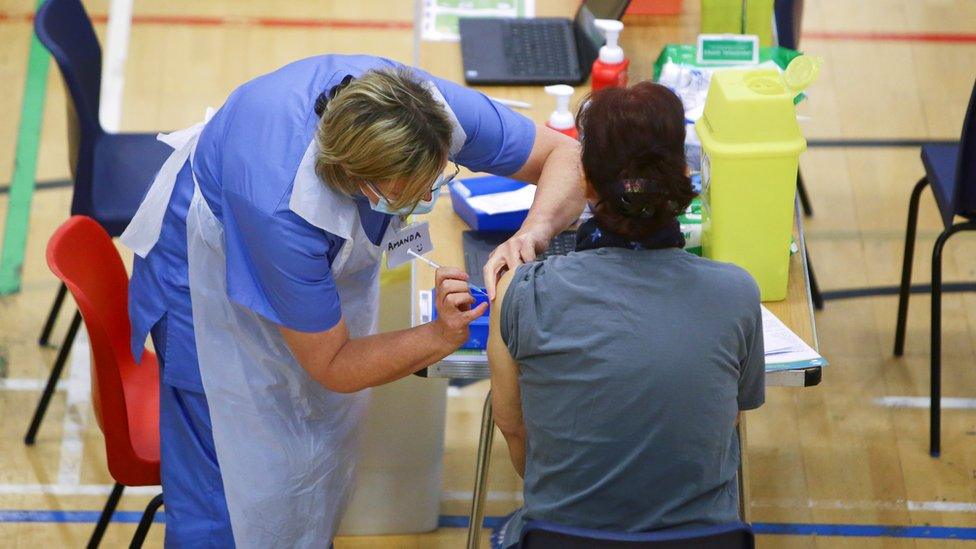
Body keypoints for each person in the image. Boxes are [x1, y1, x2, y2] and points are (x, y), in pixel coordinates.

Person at [120, 54, 583, 546]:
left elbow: (565, 157)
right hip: (202, 283)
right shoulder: (280, 210)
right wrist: (438, 334)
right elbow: (335, 365)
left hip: (284, 225)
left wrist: (530, 236)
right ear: (359, 181)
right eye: (415, 188)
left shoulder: (423, 108)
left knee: (307, 458)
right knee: (230, 487)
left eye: (437, 176)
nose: (430, 195)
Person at [487, 81, 765, 546]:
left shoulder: (521, 292)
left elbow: (516, 433)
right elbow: (722, 428)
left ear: (586, 184)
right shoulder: (736, 293)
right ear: (684, 171)